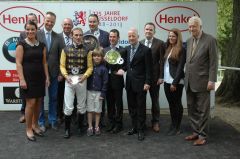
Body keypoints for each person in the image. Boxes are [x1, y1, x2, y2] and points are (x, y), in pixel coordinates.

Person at [184, 16, 218, 146]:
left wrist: (212, 80)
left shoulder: (210, 40)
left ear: (200, 27)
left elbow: (213, 63)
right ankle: (195, 131)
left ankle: (202, 136)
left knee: (203, 110)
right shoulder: (188, 40)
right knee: (191, 108)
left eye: (194, 26)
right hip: (189, 82)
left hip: (203, 82)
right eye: (190, 26)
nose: (191, 28)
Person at [16, 20, 50, 141]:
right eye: (28, 29)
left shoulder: (42, 45)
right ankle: (29, 129)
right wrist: (22, 79)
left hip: (40, 78)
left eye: (32, 29)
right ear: (25, 30)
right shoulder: (21, 44)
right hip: (28, 79)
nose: (30, 31)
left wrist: (47, 77)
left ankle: (35, 126)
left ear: (36, 31)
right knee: (30, 104)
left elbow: (44, 62)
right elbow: (18, 64)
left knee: (38, 103)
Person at [60, 27, 93, 139]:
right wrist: (65, 76)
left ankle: (80, 127)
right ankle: (67, 130)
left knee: (81, 106)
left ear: (82, 36)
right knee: (69, 106)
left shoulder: (87, 50)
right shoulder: (65, 49)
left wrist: (84, 76)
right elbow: (62, 65)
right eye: (76, 35)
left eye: (80, 35)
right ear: (72, 36)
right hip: (69, 79)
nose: (78, 37)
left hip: (81, 79)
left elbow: (90, 67)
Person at [125, 28, 153, 141]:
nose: (131, 38)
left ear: (138, 36)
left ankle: (141, 129)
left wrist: (147, 82)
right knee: (132, 107)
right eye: (129, 36)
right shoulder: (127, 49)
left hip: (141, 84)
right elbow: (125, 64)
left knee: (141, 107)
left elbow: (149, 69)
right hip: (129, 84)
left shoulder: (146, 50)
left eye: (133, 36)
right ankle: (134, 127)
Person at [84, 13, 110, 127]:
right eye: (90, 22)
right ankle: (90, 123)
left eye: (94, 21)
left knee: (100, 97)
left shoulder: (106, 35)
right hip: (89, 69)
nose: (92, 23)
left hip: (102, 69)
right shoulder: (84, 35)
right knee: (89, 97)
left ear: (98, 22)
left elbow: (109, 51)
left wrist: (104, 51)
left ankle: (100, 122)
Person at [38, 11, 62, 132]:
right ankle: (41, 121)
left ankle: (52, 120)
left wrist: (60, 73)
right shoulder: (36, 34)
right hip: (39, 74)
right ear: (44, 20)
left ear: (54, 23)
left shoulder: (58, 37)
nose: (49, 23)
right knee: (40, 99)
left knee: (53, 97)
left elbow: (62, 57)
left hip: (54, 73)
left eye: (52, 21)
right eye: (48, 20)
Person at [140, 22, 165, 132]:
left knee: (155, 101)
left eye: (151, 30)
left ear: (154, 32)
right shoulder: (139, 43)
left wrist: (161, 76)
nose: (148, 31)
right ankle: (142, 122)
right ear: (144, 31)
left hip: (155, 78)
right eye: (147, 29)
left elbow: (162, 62)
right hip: (142, 78)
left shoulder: (160, 43)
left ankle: (155, 122)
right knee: (141, 101)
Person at [161, 28, 186, 136]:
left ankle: (177, 127)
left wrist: (174, 83)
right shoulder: (168, 47)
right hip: (167, 80)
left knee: (177, 104)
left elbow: (180, 67)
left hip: (176, 81)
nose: (171, 38)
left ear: (178, 37)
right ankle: (173, 124)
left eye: (173, 36)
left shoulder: (181, 49)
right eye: (169, 36)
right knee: (171, 104)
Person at [104, 29, 126, 133]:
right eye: (110, 37)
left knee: (118, 103)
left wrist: (123, 69)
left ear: (118, 38)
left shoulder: (123, 50)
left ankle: (119, 124)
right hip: (107, 81)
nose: (112, 39)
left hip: (117, 80)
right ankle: (111, 123)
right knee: (110, 104)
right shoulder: (104, 50)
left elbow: (126, 64)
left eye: (114, 37)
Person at [18, 13, 39, 123]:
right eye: (30, 20)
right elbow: (19, 59)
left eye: (34, 20)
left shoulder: (40, 34)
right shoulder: (22, 34)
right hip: (26, 71)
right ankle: (23, 113)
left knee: (36, 98)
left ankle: (34, 119)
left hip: (37, 71)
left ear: (37, 22)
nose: (32, 21)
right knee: (25, 95)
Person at [86, 48, 108, 136]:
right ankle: (90, 127)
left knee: (98, 110)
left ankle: (97, 126)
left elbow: (105, 82)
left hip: (99, 93)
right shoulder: (89, 68)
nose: (96, 58)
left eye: (98, 56)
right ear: (92, 57)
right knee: (90, 110)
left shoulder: (104, 69)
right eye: (94, 56)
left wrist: (103, 93)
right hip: (89, 91)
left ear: (102, 57)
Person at [57, 18, 73, 125]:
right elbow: (54, 56)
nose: (67, 26)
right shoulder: (56, 37)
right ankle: (60, 115)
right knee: (60, 95)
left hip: (74, 73)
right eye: (65, 24)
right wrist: (60, 73)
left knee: (73, 96)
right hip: (61, 73)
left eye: (69, 24)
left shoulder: (75, 37)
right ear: (62, 25)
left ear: (72, 26)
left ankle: (73, 116)